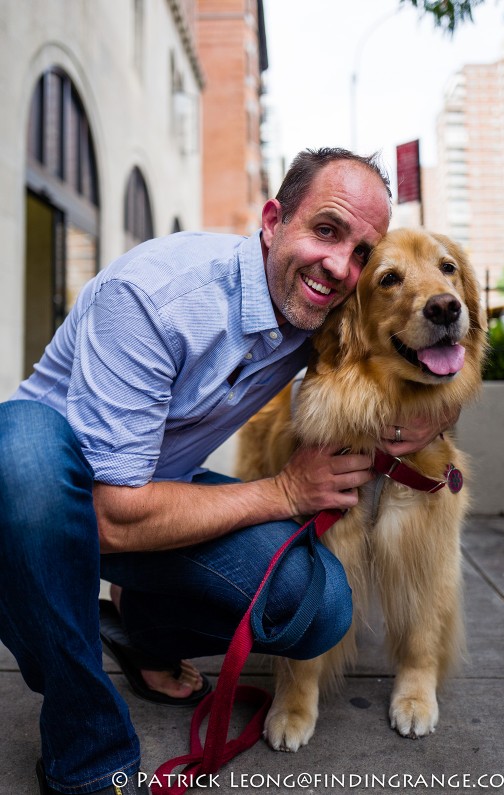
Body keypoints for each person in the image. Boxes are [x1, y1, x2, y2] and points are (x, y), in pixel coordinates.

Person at [0, 148, 455, 795]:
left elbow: (436, 354)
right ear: (273, 220)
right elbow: (113, 513)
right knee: (17, 450)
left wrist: (438, 415)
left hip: (161, 499)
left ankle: (144, 630)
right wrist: (286, 490)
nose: (338, 264)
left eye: (362, 252)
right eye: (326, 229)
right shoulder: (156, 296)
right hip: (53, 500)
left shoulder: (319, 309)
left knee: (317, 605)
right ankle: (86, 744)